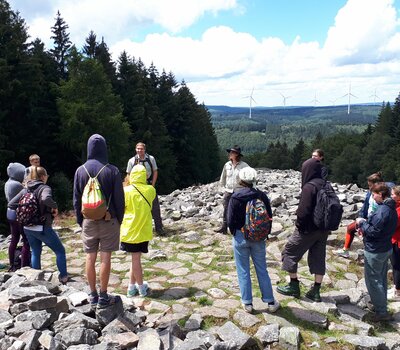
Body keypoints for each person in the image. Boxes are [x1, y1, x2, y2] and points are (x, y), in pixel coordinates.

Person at [73, 134, 125, 309]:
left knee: (89, 257)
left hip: (88, 220)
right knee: (105, 258)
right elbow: (119, 199)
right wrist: (119, 219)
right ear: (104, 149)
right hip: (109, 220)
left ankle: (93, 294)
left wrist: (81, 221)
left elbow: (76, 199)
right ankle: (103, 295)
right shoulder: (113, 170)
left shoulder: (80, 171)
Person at [227, 167, 280, 314]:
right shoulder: (261, 195)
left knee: (243, 270)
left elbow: (230, 220)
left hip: (240, 236)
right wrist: (265, 233)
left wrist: (234, 232)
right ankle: (270, 301)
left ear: (241, 180)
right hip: (258, 238)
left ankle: (247, 303)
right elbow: (269, 216)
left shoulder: (236, 196)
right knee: (262, 269)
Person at [277, 157, 330, 302]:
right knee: (319, 257)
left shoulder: (309, 187)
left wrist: (299, 225)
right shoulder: (326, 185)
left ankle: (294, 286)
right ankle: (316, 291)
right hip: (324, 229)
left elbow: (303, 211)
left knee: (289, 252)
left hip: (307, 229)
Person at [9, 166, 68, 283]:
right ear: (42, 177)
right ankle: (64, 277)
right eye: (46, 176)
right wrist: (55, 206)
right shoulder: (44, 188)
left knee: (36, 251)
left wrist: (22, 213)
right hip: (42, 227)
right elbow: (46, 198)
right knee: (60, 251)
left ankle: (37, 279)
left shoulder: (25, 189)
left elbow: (11, 203)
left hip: (27, 227)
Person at [356, 182, 397, 322]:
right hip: (386, 247)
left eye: (373, 194)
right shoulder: (391, 208)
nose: (372, 197)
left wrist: (362, 223)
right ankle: (381, 305)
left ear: (380, 194)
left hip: (375, 250)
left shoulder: (382, 211)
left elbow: (374, 231)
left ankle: (381, 311)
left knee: (373, 280)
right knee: (381, 278)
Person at [333, 172, 393, 258]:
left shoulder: (384, 196)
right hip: (367, 219)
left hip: (375, 221)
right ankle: (345, 250)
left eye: (370, 185)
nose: (369, 188)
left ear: (377, 184)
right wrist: (360, 217)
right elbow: (366, 206)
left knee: (370, 237)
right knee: (350, 228)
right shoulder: (370, 193)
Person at [120, 165, 156, 297]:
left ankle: (131, 288)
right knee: (136, 259)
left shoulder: (126, 191)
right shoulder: (151, 190)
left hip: (129, 230)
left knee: (134, 259)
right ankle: (141, 288)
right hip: (143, 231)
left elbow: (122, 208)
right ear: (145, 175)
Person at [126, 142, 163, 235]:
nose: (139, 150)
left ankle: (159, 228)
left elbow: (155, 171)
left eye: (141, 149)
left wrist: (153, 185)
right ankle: (139, 228)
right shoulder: (131, 161)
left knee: (155, 207)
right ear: (135, 149)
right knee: (138, 208)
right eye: (138, 149)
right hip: (136, 187)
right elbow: (128, 174)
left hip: (149, 185)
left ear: (144, 149)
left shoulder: (151, 159)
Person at [215, 146, 249, 234]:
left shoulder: (244, 166)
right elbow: (223, 177)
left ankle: (239, 228)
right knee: (226, 209)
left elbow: (250, 178)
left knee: (239, 210)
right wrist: (221, 188)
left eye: (232, 152)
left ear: (237, 154)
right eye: (230, 152)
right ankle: (224, 227)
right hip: (228, 190)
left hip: (239, 192)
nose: (229, 154)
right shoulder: (227, 165)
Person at [4, 162, 31, 271]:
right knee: (25, 240)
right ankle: (24, 266)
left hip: (10, 213)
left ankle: (12, 264)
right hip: (18, 214)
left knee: (14, 238)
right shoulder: (17, 185)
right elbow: (26, 195)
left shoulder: (8, 183)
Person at [388, 185, 400, 301]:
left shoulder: (399, 209)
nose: (391, 196)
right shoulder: (396, 206)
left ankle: (397, 292)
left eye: (393, 194)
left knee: (397, 266)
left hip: (397, 241)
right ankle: (395, 287)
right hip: (395, 239)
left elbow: (394, 224)